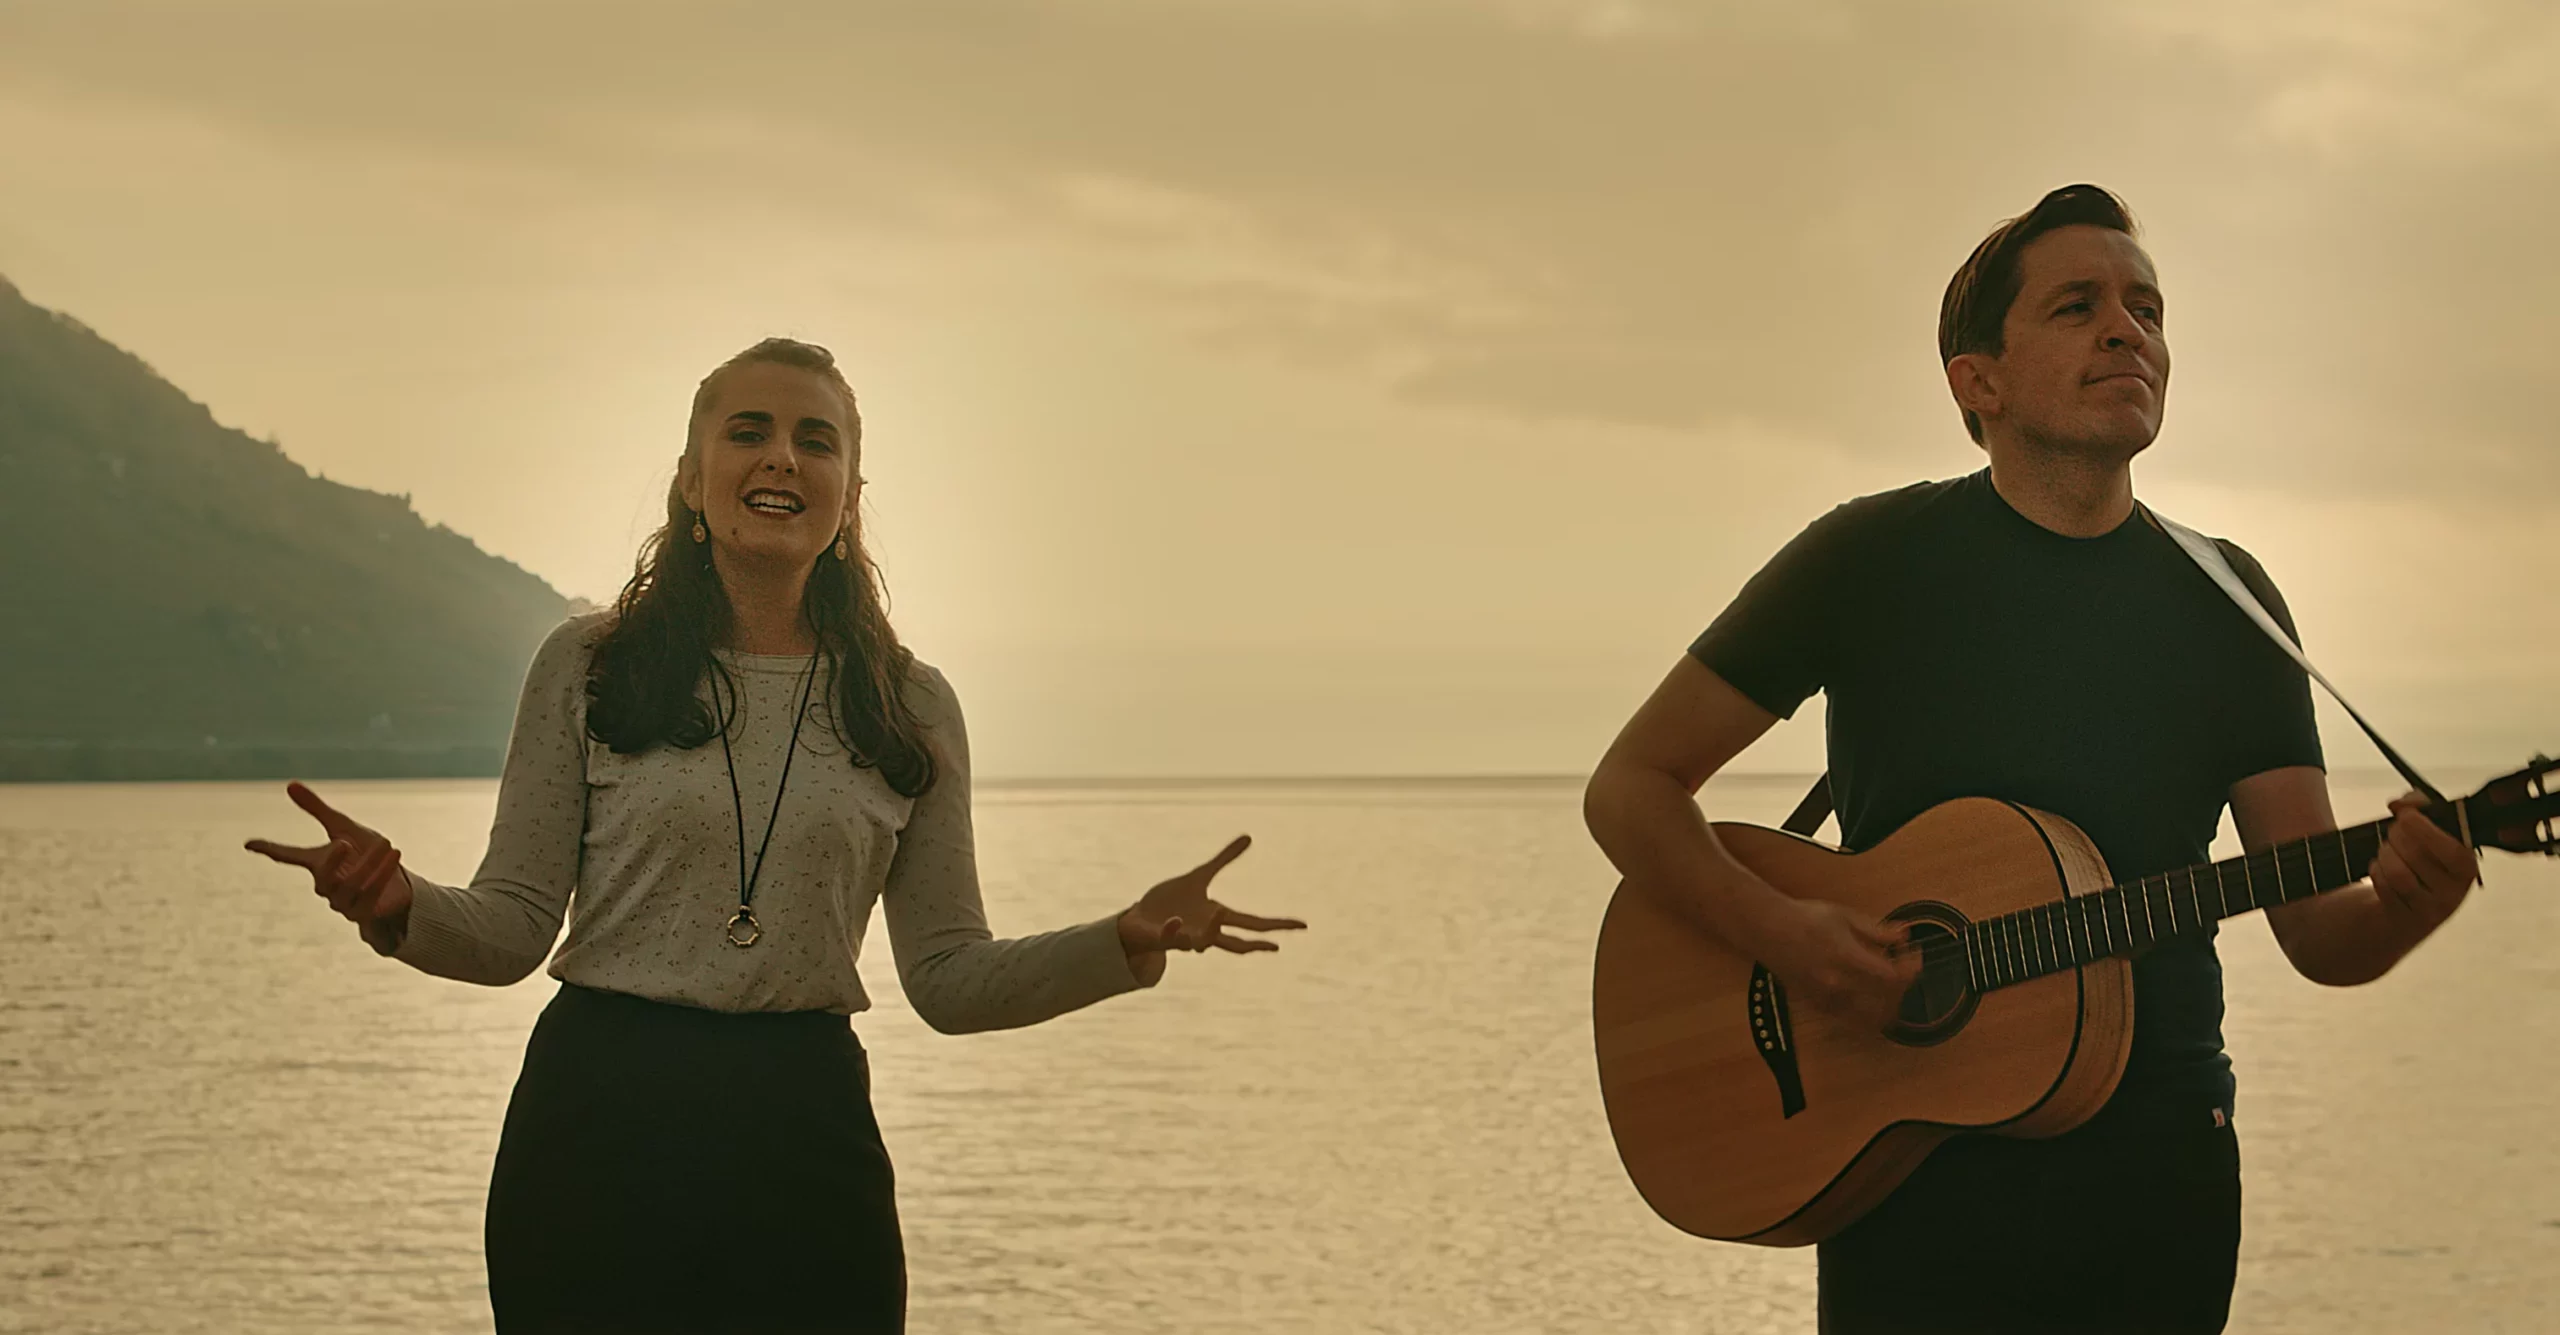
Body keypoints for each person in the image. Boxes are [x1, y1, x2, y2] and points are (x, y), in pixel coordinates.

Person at [246, 337, 1305, 1334]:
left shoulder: (908, 704)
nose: (781, 457)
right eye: (748, 431)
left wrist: (1126, 937)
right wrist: (392, 904)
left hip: (806, 1134)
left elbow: (947, 977)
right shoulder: (587, 666)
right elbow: (513, 928)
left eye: (816, 439)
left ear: (848, 497)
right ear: (693, 478)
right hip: (600, 1119)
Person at [1580, 185, 2480, 1333]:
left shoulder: (2230, 599)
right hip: (1910, 1156)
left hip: (2159, 1163)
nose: (2127, 330)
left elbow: (2319, 931)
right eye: (2077, 306)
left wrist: (2414, 899)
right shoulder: (1867, 561)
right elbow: (1631, 790)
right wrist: (1788, 937)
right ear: (1979, 381)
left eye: (2145, 307)